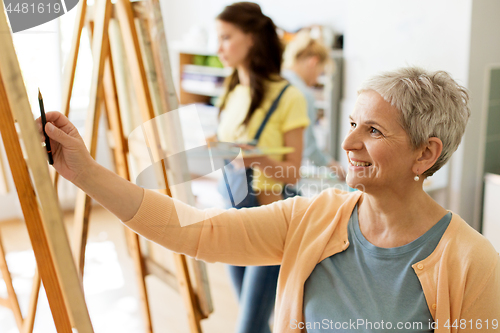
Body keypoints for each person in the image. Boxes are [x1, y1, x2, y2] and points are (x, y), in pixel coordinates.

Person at [37, 66, 500, 333]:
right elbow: (198, 232)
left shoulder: (470, 261)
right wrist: (84, 171)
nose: (348, 143)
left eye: (373, 130)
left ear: (426, 154)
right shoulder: (315, 216)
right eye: (353, 123)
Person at [213, 3, 310, 332]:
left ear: (252, 39)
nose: (219, 48)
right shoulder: (231, 93)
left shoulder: (288, 96)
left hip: (270, 225)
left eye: (226, 37)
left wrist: (255, 159)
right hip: (233, 219)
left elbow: (291, 175)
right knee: (252, 321)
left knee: (249, 325)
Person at [282, 30, 346, 180]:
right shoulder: (302, 95)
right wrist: (334, 166)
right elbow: (308, 146)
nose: (317, 79)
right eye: (320, 72)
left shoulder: (277, 80)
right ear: (313, 62)